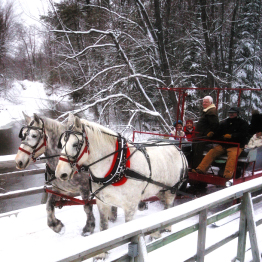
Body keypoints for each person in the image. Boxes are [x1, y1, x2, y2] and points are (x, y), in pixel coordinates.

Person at [193, 107, 249, 179]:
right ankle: (200, 169)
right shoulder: (225, 122)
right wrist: (212, 134)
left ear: (237, 114)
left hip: (236, 146)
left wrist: (232, 136)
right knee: (212, 152)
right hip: (224, 145)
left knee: (232, 156)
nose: (231, 114)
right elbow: (218, 132)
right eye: (230, 112)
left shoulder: (243, 123)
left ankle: (227, 175)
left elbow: (243, 134)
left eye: (233, 113)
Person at [191, 96, 219, 168]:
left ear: (211, 103)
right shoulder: (207, 111)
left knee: (198, 151)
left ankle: (197, 168)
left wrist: (209, 133)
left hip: (204, 137)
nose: (204, 103)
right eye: (203, 102)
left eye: (206, 102)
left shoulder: (211, 112)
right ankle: (194, 166)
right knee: (194, 149)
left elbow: (214, 125)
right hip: (200, 136)